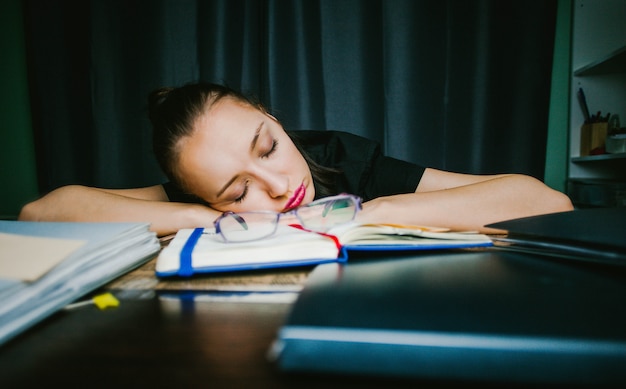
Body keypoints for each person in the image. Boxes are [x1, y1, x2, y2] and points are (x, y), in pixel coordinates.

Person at [19, 82, 573, 237]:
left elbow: (545, 200)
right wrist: (203, 216)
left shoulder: (339, 159)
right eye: (238, 192)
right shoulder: (197, 197)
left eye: (269, 148)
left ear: (274, 118)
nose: (279, 186)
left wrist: (367, 211)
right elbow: (41, 213)